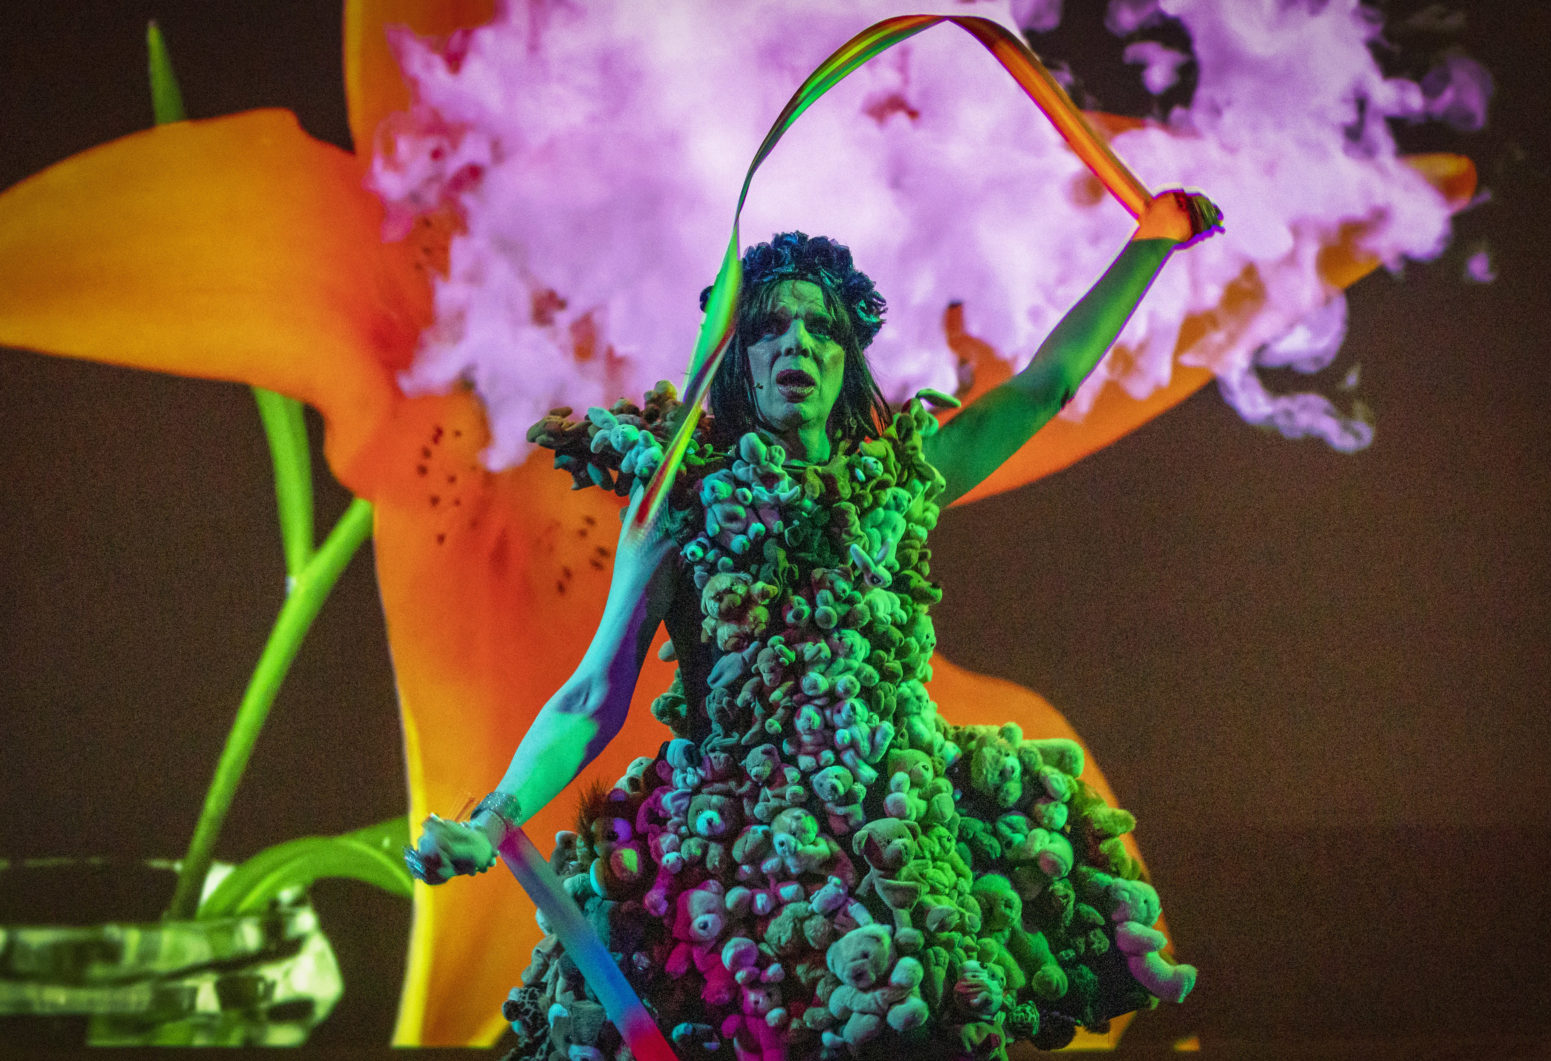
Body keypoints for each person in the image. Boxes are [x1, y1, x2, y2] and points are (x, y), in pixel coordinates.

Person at [410, 189, 1220, 1060]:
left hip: (898, 852)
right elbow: (593, 692)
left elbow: (1045, 386)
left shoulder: (904, 479)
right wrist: (491, 822)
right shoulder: (680, 509)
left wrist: (1151, 242)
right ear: (740, 358)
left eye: (821, 328)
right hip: (733, 868)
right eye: (769, 326)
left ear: (847, 358)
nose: (797, 342)